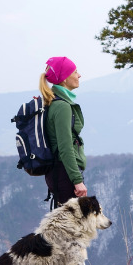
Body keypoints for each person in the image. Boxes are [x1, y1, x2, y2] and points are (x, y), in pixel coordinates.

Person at [39, 56, 86, 208]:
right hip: (65, 174)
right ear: (65, 78)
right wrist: (77, 181)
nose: (79, 75)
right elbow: (65, 148)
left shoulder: (52, 101)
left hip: (58, 173)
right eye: (75, 71)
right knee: (71, 229)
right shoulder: (62, 107)